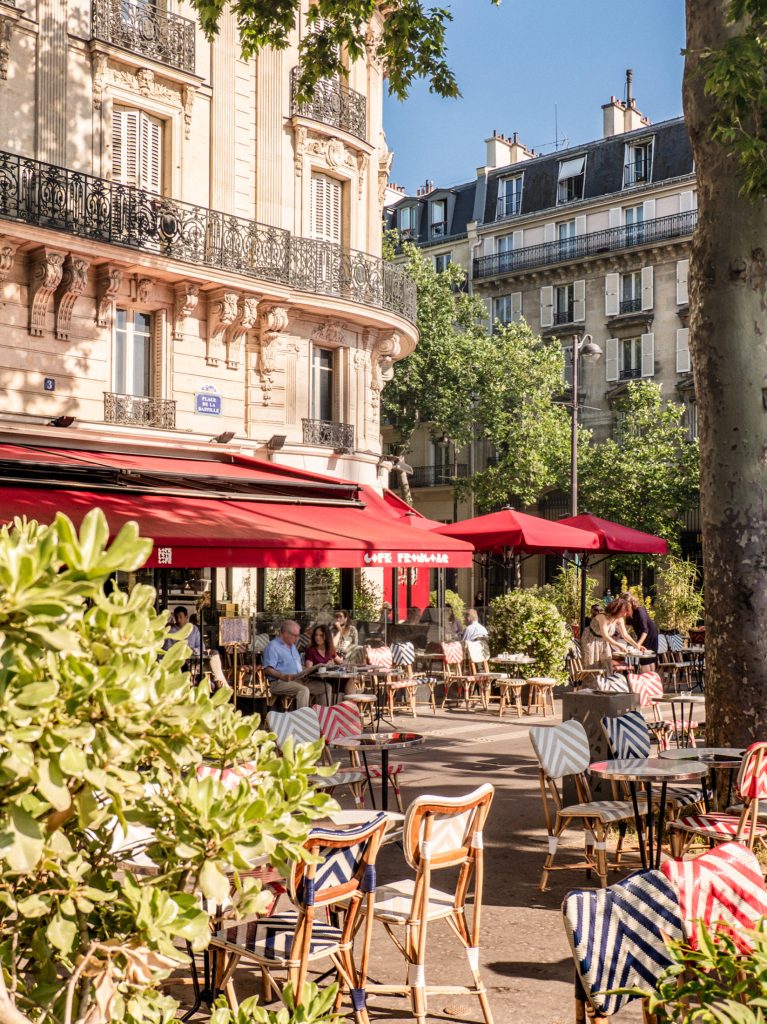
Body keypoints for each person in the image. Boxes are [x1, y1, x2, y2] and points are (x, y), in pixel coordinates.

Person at [262, 619, 329, 708]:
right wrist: (283, 676)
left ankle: (322, 717)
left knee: (326, 687)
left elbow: (296, 666)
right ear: (285, 633)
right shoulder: (272, 647)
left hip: (299, 680)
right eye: (295, 635)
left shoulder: (292, 646)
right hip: (280, 682)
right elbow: (267, 669)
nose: (297, 638)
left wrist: (309, 670)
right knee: (303, 690)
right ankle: (301, 720)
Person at [581, 597, 642, 671]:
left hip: (603, 641)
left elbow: (625, 635)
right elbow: (605, 636)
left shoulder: (619, 619)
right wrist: (619, 645)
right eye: (624, 611)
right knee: (591, 665)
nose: (625, 614)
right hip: (590, 640)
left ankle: (606, 682)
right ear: (617, 610)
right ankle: (590, 682)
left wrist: (637, 646)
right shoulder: (602, 617)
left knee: (607, 663)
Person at [305, 623, 356, 698]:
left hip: (330, 678)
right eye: (316, 635)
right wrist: (326, 666)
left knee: (349, 680)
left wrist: (349, 664)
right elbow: (308, 670)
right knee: (343, 682)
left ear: (326, 637)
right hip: (318, 680)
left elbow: (341, 662)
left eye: (321, 635)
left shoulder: (330, 650)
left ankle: (349, 706)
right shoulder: (311, 650)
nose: (317, 637)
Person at [622, 592, 659, 664]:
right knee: (645, 659)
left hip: (650, 634)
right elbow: (625, 628)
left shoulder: (639, 610)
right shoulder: (629, 614)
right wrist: (617, 635)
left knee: (646, 658)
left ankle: (646, 674)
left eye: (626, 606)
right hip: (641, 634)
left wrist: (638, 644)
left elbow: (645, 630)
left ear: (631, 603)